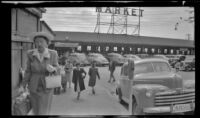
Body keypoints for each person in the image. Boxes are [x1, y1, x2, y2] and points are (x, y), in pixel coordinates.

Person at [22, 32, 60, 115]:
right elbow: (28, 70)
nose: (39, 44)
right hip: (34, 84)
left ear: (47, 43)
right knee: (36, 108)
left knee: (44, 109)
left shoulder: (53, 54)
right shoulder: (31, 54)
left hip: (47, 85)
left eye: (41, 41)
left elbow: (57, 67)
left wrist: (54, 69)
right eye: (36, 42)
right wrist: (23, 84)